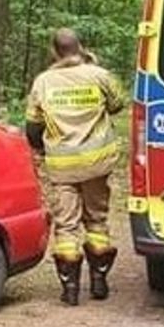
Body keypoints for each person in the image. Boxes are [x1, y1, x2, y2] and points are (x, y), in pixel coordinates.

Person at [25, 29, 125, 305]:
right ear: (80, 47)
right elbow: (118, 104)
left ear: (54, 52)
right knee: (97, 219)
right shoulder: (100, 75)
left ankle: (70, 289)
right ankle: (99, 280)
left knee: (66, 225)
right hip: (97, 161)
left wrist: (42, 150)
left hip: (61, 164)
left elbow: (33, 127)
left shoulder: (43, 82)